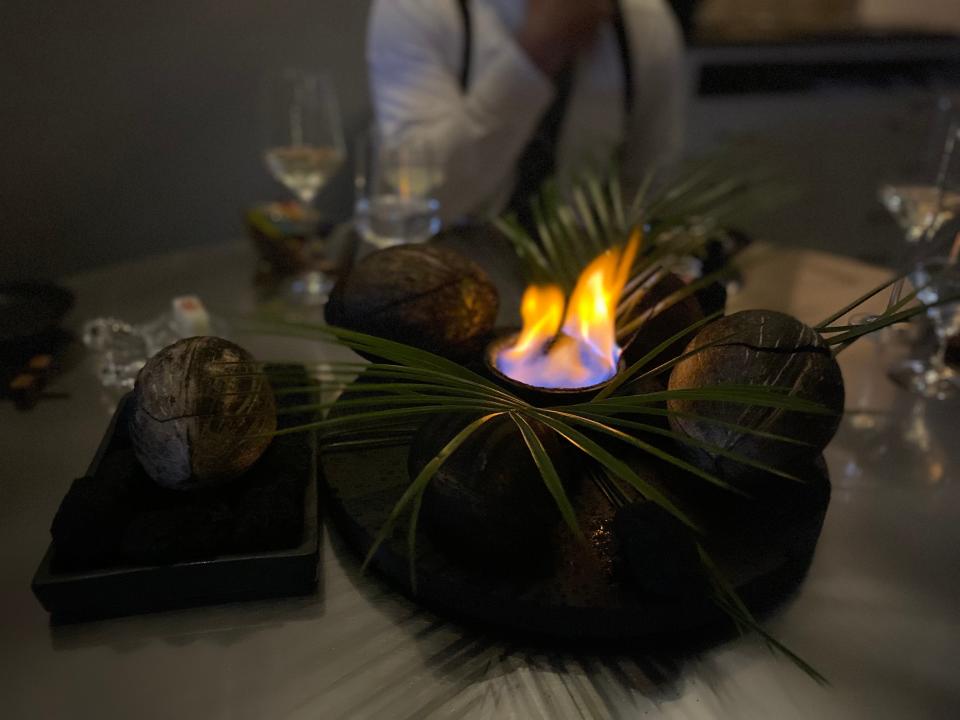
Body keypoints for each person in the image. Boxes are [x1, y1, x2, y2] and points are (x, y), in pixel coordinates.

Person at [366, 0, 687, 226]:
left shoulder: (644, 21)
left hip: (587, 281)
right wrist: (535, 56)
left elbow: (649, 184)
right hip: (446, 271)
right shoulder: (419, 9)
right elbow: (422, 199)